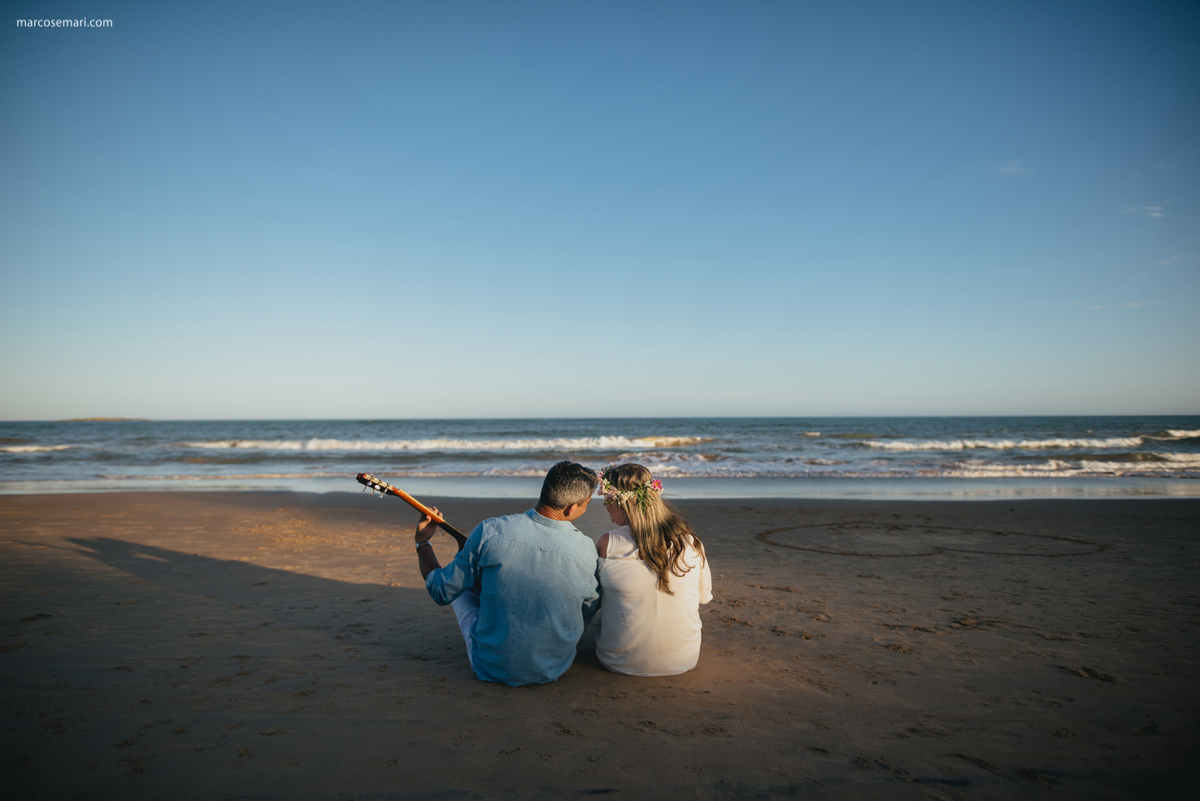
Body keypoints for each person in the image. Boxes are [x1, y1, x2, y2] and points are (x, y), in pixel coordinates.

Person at [414, 461, 600, 686]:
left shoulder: (490, 530)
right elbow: (588, 609)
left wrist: (422, 541)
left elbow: (440, 590)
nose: (585, 508)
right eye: (586, 504)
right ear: (571, 508)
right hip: (553, 668)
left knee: (463, 582)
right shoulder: (586, 548)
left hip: (490, 667)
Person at [593, 463, 713, 676]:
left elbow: (592, 599)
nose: (604, 506)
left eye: (606, 499)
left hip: (618, 660)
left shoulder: (607, 544)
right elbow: (703, 597)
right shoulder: (690, 542)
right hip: (684, 658)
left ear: (621, 503)